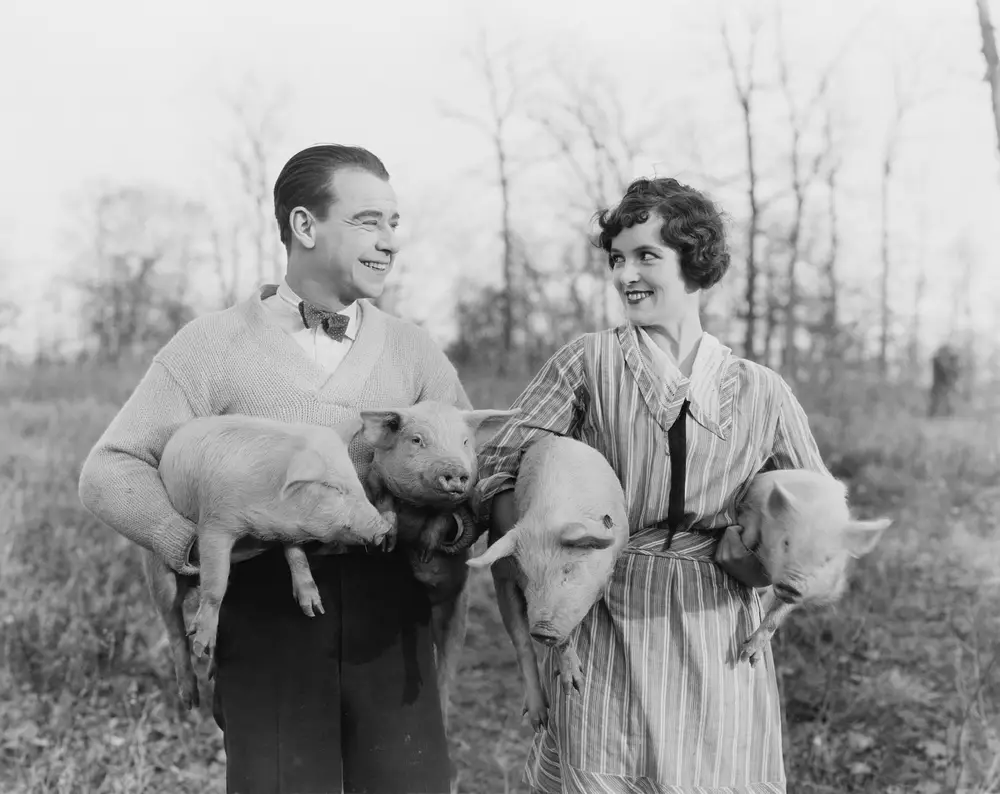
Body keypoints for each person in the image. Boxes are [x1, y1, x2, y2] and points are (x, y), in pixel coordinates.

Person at [78, 144, 468, 794]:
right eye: (369, 221)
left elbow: (469, 479)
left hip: (392, 627)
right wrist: (191, 548)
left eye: (394, 224)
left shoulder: (414, 352)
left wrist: (441, 533)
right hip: (266, 625)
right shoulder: (211, 347)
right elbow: (110, 469)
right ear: (304, 226)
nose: (389, 241)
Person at [475, 177, 831, 794]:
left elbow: (821, 514)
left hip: (716, 627)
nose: (625, 274)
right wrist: (548, 543)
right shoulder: (586, 362)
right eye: (617, 258)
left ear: (693, 262)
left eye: (647, 256)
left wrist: (774, 575)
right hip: (608, 610)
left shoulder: (761, 389)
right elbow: (499, 466)